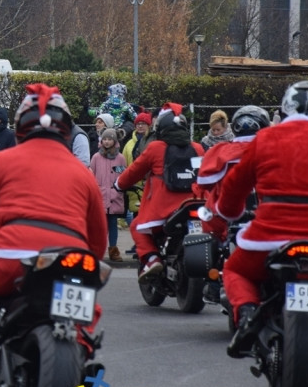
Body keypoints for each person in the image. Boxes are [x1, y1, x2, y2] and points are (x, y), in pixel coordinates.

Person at [0, 84, 107, 387]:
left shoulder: (4, 161)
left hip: (12, 255)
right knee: (83, 304)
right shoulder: (83, 173)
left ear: (20, 125)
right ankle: (81, 355)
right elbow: (98, 239)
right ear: (66, 127)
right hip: (71, 258)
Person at [216, 82, 308, 358]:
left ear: (285, 108)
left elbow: (234, 187)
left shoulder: (266, 137)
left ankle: (248, 312)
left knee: (235, 271)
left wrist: (229, 212)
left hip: (269, 236)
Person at [116, 103, 204, 280]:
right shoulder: (197, 148)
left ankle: (152, 259)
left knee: (136, 226)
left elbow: (134, 172)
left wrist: (119, 184)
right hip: (195, 203)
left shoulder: (156, 148)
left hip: (165, 208)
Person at [195, 105, 270, 245]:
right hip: (269, 215)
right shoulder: (275, 149)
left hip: (225, 217)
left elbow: (204, 182)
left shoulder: (220, 151)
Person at [89, 127, 125, 262]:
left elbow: (122, 175)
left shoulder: (120, 158)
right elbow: (91, 174)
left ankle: (113, 250)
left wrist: (117, 189)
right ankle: (98, 250)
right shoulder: (96, 157)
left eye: (110, 139)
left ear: (114, 141)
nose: (107, 142)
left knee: (113, 223)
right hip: (100, 196)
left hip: (115, 196)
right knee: (100, 226)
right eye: (105, 139)